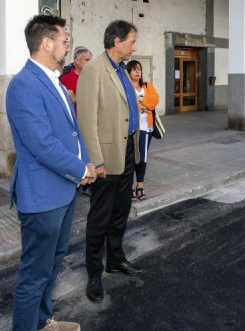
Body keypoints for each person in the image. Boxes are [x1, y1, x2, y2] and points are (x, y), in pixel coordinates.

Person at [5, 15, 96, 331]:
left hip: (63, 190)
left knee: (52, 263)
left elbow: (71, 132)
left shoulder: (55, 79)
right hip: (42, 196)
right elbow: (41, 143)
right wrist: (81, 169)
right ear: (46, 43)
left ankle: (42, 324)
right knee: (35, 272)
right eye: (64, 40)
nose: (67, 45)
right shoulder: (24, 85)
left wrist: (84, 164)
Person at [77, 20, 143, 303]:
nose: (134, 46)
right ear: (116, 42)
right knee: (101, 215)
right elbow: (87, 120)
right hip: (106, 157)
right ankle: (94, 273)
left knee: (121, 210)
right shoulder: (94, 70)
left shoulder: (121, 70)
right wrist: (96, 160)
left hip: (126, 150)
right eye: (131, 41)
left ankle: (115, 259)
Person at [126, 60, 159, 201]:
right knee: (131, 158)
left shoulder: (147, 86)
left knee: (142, 158)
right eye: (134, 69)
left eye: (139, 69)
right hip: (132, 128)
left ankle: (140, 186)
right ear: (128, 72)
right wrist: (142, 106)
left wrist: (141, 103)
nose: (137, 72)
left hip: (147, 128)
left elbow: (155, 100)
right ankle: (131, 188)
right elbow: (128, 104)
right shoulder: (126, 87)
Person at [60, 46, 92, 111]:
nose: (90, 63)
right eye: (87, 60)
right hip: (76, 118)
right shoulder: (67, 78)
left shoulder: (92, 76)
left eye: (91, 60)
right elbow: (72, 99)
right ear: (77, 61)